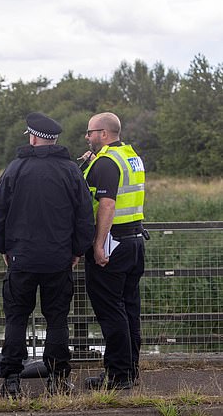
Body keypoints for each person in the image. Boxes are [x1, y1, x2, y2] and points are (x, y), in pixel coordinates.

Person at [0, 112, 95, 398]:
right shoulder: (71, 171)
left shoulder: (15, 169)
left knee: (16, 319)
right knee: (57, 319)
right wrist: (76, 251)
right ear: (54, 140)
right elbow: (85, 217)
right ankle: (58, 380)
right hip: (59, 259)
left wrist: (4, 248)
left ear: (33, 137)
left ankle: (11, 381)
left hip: (21, 258)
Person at [80, 112, 146, 390]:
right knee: (129, 309)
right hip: (134, 242)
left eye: (90, 132)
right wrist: (86, 165)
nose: (87, 136)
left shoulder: (107, 162)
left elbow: (106, 205)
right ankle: (129, 371)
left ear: (103, 134)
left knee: (111, 311)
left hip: (112, 244)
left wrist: (97, 244)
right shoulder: (131, 157)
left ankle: (118, 377)